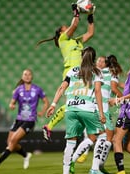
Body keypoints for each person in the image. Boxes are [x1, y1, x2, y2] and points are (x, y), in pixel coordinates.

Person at [36, 3, 95, 145]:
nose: (68, 29)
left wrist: (91, 15)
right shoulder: (63, 40)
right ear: (61, 33)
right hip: (71, 72)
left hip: (82, 73)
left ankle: (50, 127)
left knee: (78, 103)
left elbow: (90, 33)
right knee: (72, 103)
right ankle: (50, 126)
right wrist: (76, 11)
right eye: (65, 28)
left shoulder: (77, 41)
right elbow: (74, 25)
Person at [46, 46, 105, 174]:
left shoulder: (72, 71)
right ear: (94, 58)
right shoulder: (96, 72)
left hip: (71, 109)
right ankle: (95, 168)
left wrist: (53, 104)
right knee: (102, 136)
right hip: (87, 109)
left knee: (70, 143)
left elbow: (62, 87)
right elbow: (97, 92)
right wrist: (101, 113)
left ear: (81, 56)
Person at [69, 55, 123, 174]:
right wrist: (123, 100)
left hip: (91, 108)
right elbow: (114, 88)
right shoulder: (109, 73)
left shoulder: (92, 72)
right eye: (98, 59)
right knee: (108, 137)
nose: (99, 61)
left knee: (93, 138)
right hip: (101, 108)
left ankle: (73, 160)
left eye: (102, 60)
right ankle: (97, 167)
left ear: (106, 63)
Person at [0, 69, 49, 169]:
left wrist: (42, 112)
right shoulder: (18, 89)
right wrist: (11, 105)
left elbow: (46, 102)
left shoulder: (37, 89)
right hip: (19, 119)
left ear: (32, 76)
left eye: (29, 74)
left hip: (30, 120)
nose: (27, 76)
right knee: (10, 143)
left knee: (13, 141)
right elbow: (11, 102)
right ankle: (26, 155)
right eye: (25, 74)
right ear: (22, 77)